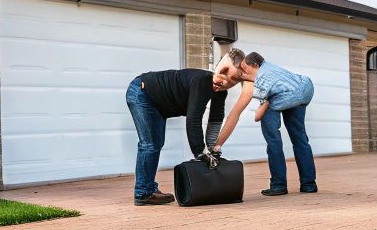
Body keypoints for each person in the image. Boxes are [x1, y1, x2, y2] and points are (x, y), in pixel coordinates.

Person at [122, 55, 237, 206]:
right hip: (143, 92)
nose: (223, 82)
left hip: (158, 103)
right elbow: (193, 119)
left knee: (155, 144)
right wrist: (200, 153)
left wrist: (212, 149)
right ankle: (143, 193)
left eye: (230, 81)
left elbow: (215, 119)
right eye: (222, 75)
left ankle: (147, 189)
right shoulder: (203, 81)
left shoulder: (220, 91)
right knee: (150, 144)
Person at [217, 52, 317, 197]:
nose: (244, 70)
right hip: (301, 89)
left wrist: (264, 106)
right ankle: (309, 184)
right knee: (300, 139)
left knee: (273, 140)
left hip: (277, 98)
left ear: (255, 65)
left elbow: (256, 115)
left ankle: (278, 185)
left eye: (245, 68)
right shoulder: (268, 68)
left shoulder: (260, 78)